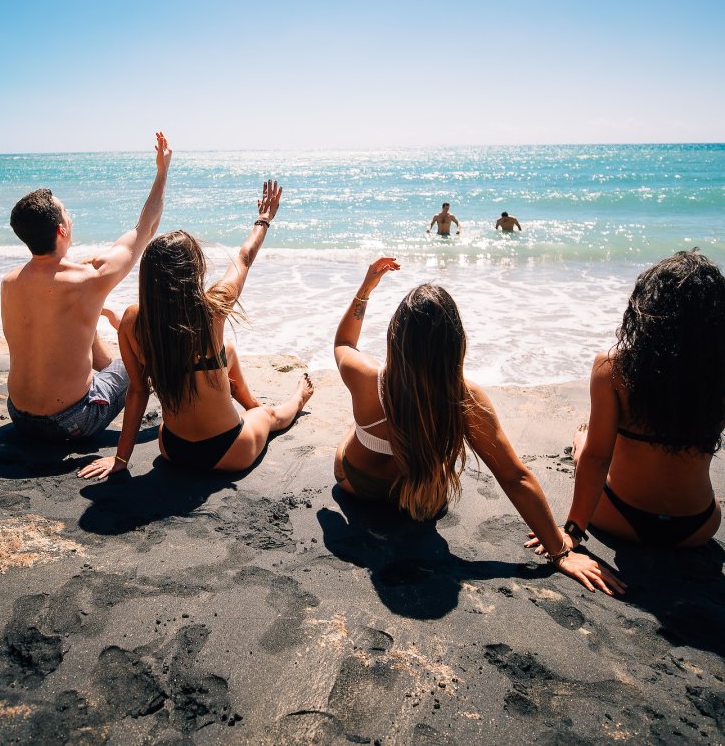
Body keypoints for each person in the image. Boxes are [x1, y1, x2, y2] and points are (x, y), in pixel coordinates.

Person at [332, 258, 624, 595]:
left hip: (356, 485)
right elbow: (514, 478)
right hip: (420, 499)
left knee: (354, 432)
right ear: (456, 344)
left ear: (394, 337)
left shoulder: (366, 377)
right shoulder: (466, 400)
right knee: (423, 440)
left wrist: (366, 288)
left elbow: (343, 343)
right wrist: (559, 550)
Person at [77, 180, 314, 480]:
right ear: (194, 272)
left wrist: (121, 459)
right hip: (229, 450)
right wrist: (264, 220)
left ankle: (250, 402)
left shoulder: (132, 320)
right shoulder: (212, 309)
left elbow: (137, 391)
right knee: (268, 416)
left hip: (172, 449)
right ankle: (297, 399)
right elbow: (244, 257)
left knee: (224, 352)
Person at [530, 251, 724, 552]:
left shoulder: (614, 367)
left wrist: (572, 530)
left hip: (617, 518)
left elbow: (597, 459)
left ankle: (578, 439)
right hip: (697, 527)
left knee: (586, 447)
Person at [2, 132, 172, 445]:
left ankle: (107, 369)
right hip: (71, 422)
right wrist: (162, 173)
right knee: (143, 356)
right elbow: (145, 229)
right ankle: (183, 408)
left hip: (19, 416)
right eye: (66, 210)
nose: (71, 214)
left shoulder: (9, 282)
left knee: (84, 317)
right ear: (61, 229)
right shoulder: (87, 281)